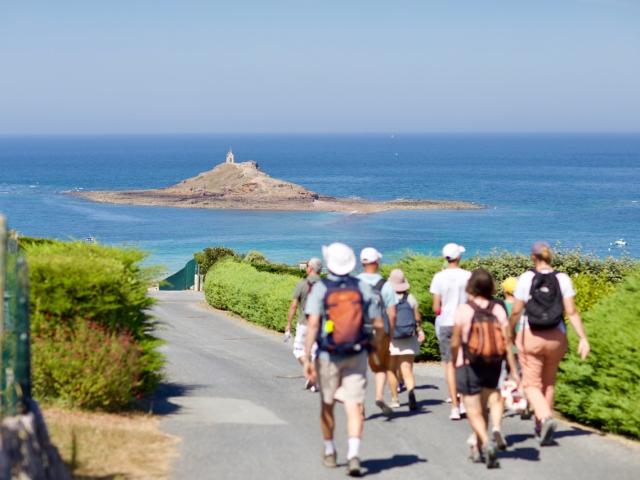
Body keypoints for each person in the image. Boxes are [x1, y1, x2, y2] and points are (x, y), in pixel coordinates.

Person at [303, 242, 385, 477]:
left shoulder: (321, 288)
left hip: (328, 355)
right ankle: (354, 455)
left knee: (327, 405)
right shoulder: (361, 288)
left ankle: (330, 450)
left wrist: (308, 357)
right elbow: (378, 324)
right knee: (354, 406)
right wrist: (376, 347)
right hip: (357, 354)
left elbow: (313, 325)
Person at [509, 241, 590, 446]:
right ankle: (540, 428)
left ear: (533, 258)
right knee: (548, 383)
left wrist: (509, 330)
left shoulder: (527, 278)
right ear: (550, 257)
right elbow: (571, 311)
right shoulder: (562, 279)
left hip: (531, 335)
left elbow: (517, 310)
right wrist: (583, 337)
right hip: (557, 336)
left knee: (530, 384)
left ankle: (545, 417)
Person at [450, 268, 518, 468]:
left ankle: (485, 443)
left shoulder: (464, 310)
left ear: (470, 287)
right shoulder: (497, 309)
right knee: (486, 405)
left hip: (469, 363)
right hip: (494, 363)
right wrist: (513, 369)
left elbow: (455, 342)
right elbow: (506, 342)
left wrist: (454, 361)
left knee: (472, 408)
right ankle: (479, 446)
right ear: (491, 287)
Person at [429, 243, 471, 420]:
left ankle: (455, 405)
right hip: (464, 323)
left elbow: (436, 307)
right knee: (464, 362)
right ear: (458, 257)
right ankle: (465, 401)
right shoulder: (468, 276)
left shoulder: (439, 277)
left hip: (446, 323)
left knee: (448, 364)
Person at [356, 247, 397, 417]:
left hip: (358, 332)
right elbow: (392, 313)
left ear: (361, 262)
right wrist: (391, 334)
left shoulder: (355, 282)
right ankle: (379, 395)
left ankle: (360, 407)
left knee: (358, 370)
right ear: (377, 263)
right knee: (380, 367)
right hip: (380, 332)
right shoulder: (386, 285)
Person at [386, 268, 425, 411]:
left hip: (391, 338)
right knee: (407, 368)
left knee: (391, 369)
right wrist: (420, 330)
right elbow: (417, 318)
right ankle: (411, 393)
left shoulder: (386, 298)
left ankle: (395, 399)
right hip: (408, 336)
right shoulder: (411, 298)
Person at [284, 257, 323, 391]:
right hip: (320, 324)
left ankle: (311, 375)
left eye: (307, 266)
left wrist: (288, 323)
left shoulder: (302, 284)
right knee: (316, 352)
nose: (306, 268)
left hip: (304, 323)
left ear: (310, 268)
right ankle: (314, 377)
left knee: (298, 350)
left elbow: (294, 305)